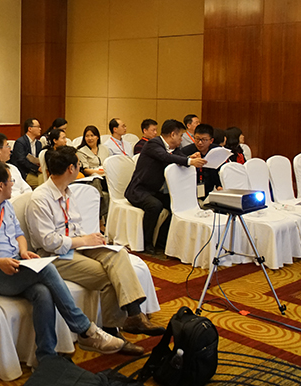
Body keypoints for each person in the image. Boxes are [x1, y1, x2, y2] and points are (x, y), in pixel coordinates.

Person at [0, 162, 137, 360]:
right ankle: (84, 329)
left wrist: (23, 251)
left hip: (15, 264)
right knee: (46, 269)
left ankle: (46, 356)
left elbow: (19, 234)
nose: (13, 184)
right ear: (1, 186)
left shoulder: (6, 206)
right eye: (11, 181)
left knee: (42, 293)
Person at [27, 146, 162, 341]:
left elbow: (74, 226)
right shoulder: (40, 198)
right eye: (78, 165)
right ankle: (112, 331)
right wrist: (83, 240)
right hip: (54, 256)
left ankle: (134, 314)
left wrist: (91, 238)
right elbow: (49, 242)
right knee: (107, 276)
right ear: (71, 169)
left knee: (118, 254)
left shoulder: (67, 192)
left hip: (76, 246)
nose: (80, 168)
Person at [125, 120, 206, 254]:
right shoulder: (153, 144)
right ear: (173, 134)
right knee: (155, 206)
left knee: (176, 204)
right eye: (180, 136)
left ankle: (162, 240)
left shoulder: (174, 148)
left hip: (155, 190)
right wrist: (189, 161)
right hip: (139, 190)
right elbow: (165, 157)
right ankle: (146, 243)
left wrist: (190, 158)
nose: (181, 139)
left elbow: (179, 158)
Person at [177, 124, 223, 199]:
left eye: (204, 140)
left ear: (211, 140)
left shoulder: (217, 151)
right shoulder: (186, 151)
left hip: (213, 188)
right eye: (197, 139)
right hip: (191, 189)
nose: (200, 143)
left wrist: (219, 185)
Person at [11, 118, 44, 188]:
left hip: (35, 170)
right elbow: (21, 161)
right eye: (38, 127)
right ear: (30, 129)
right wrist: (37, 168)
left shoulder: (38, 143)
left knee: (47, 180)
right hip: (24, 172)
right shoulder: (20, 142)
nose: (40, 129)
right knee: (41, 184)